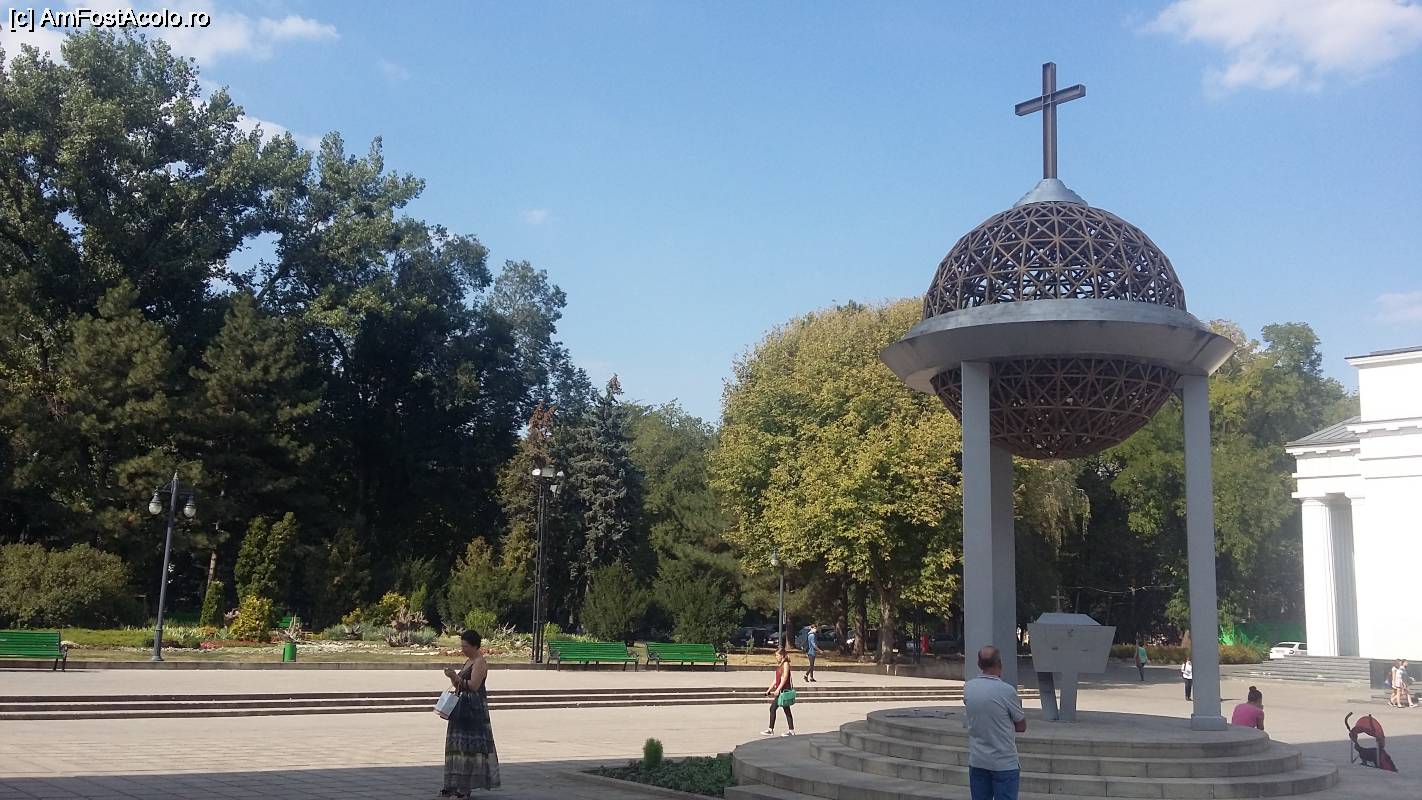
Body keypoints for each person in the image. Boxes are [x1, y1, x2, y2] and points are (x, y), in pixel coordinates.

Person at [440, 630, 500, 796]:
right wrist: (452, 677)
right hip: (461, 707)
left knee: (468, 749)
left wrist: (456, 676)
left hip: (472, 709)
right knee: (457, 746)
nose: (463, 649)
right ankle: (452, 785)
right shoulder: (468, 661)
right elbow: (460, 685)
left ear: (474, 646)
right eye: (462, 646)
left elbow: (473, 685)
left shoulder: (479, 662)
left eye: (465, 646)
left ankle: (464, 789)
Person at [964, 645, 1026, 800]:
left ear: (979, 664)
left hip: (978, 760)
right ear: (999, 663)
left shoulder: (969, 687)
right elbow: (1021, 726)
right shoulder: (1007, 691)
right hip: (1004, 762)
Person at [763, 648, 796, 736]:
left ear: (782, 655)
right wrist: (769, 690)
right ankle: (791, 730)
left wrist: (778, 689)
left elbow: (785, 678)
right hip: (780, 690)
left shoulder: (785, 664)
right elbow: (776, 679)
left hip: (783, 691)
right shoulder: (780, 664)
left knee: (773, 708)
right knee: (786, 710)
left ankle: (771, 730)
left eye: (777, 655)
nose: (776, 657)